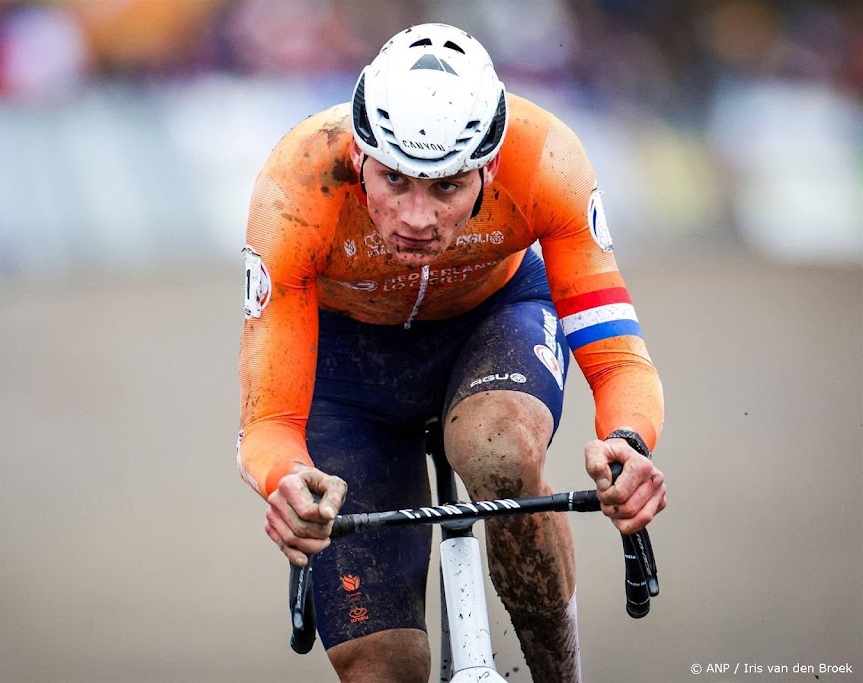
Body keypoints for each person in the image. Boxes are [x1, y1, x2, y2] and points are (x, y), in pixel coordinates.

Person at [237, 22, 666, 683]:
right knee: (386, 665)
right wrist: (287, 481)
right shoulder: (297, 184)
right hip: (351, 370)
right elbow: (269, 423)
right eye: (396, 181)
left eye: (446, 186)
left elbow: (616, 358)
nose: (416, 216)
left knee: (498, 450)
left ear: (490, 169)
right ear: (359, 157)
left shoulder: (544, 157)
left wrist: (630, 442)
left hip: (494, 320)